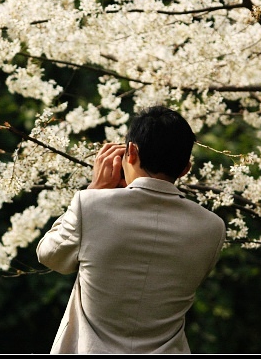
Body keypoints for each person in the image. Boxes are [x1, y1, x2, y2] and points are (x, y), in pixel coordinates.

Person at [36, 105, 226, 354]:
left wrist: (95, 189)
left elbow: (50, 255)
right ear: (185, 168)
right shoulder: (212, 228)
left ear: (131, 151)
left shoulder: (90, 206)